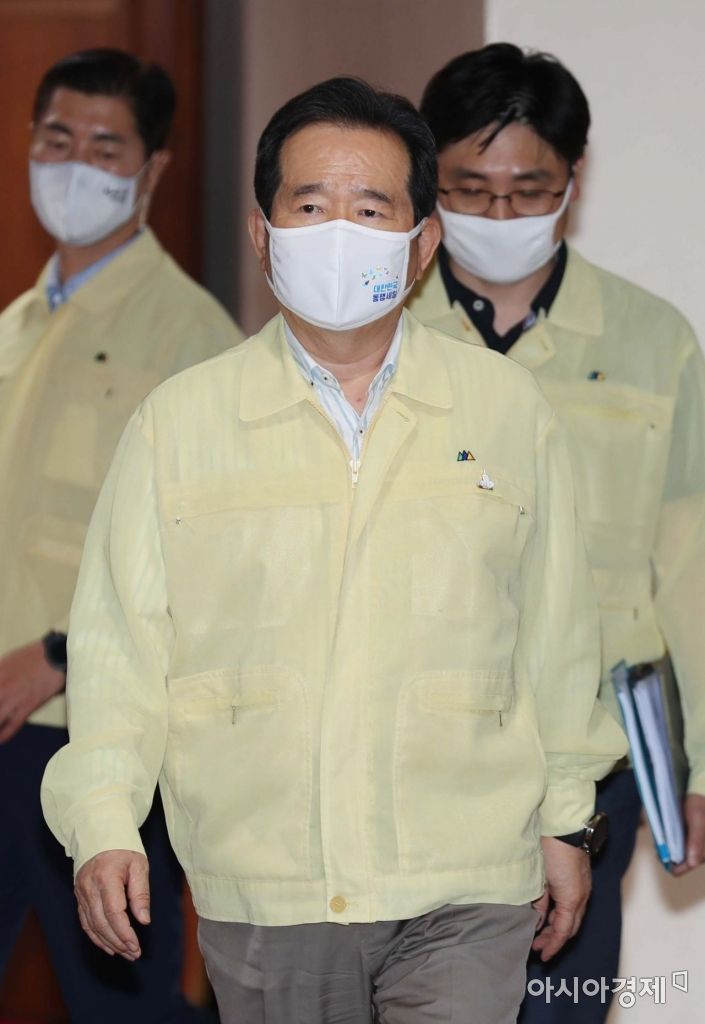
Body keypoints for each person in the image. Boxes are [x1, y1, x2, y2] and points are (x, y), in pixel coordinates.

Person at [41, 76, 626, 1024]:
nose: (339, 233)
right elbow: (120, 647)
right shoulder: (179, 423)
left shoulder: (504, 410)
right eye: (310, 207)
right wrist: (104, 820)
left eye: (370, 208)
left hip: (466, 875)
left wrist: (565, 818)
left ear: (421, 243)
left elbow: (556, 635)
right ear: (262, 233)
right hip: (267, 884)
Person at [409, 43, 705, 1023]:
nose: (498, 216)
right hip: (416, 749)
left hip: (592, 754)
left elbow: (692, 567)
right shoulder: (379, 335)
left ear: (572, 182)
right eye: (470, 189)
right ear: (430, 179)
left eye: (527, 190)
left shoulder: (651, 341)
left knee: (559, 1003)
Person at [0, 48, 242, 1022]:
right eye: (58, 139)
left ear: (152, 168)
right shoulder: (18, 324)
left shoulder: (191, 335)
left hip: (93, 733)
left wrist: (61, 655)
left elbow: (209, 552)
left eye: (106, 149)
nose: (76, 166)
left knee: (122, 1002)